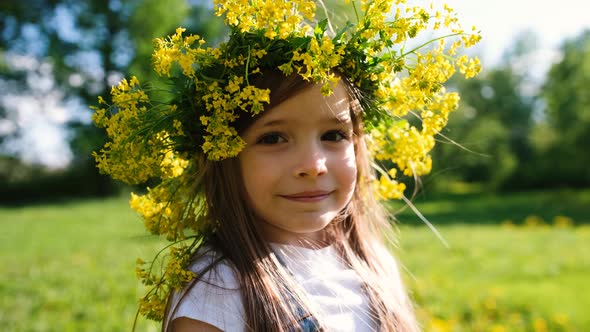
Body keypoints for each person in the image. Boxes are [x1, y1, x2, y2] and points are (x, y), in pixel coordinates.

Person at [91, 0, 480, 331]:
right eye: (273, 138)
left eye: (333, 135)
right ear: (223, 156)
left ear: (359, 145)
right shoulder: (216, 290)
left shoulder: (375, 265)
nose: (313, 166)